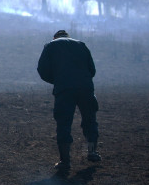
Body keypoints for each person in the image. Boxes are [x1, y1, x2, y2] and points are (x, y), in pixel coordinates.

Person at [37, 30, 101, 171]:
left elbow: (42, 70)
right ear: (68, 37)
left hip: (64, 90)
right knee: (89, 121)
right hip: (85, 88)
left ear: (55, 37)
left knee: (64, 123)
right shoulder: (81, 45)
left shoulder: (50, 45)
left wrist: (57, 81)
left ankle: (65, 161)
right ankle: (91, 152)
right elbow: (92, 70)